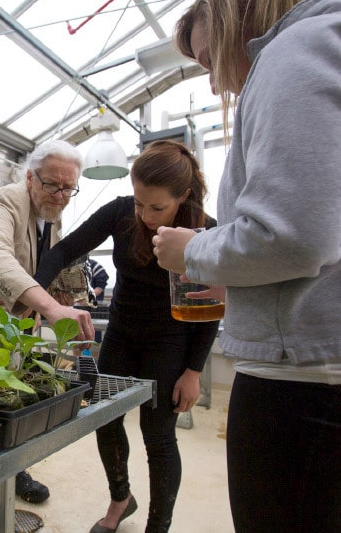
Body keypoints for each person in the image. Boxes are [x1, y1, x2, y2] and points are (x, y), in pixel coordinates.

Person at [155, 1, 341, 531]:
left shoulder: (296, 50)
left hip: (301, 386)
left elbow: (293, 236)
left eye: (209, 59)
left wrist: (192, 251)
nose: (215, 84)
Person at [35, 140, 220, 533]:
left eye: (157, 207)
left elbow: (206, 312)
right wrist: (32, 292)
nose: (145, 216)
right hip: (121, 334)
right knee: (104, 417)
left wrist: (193, 371)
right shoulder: (120, 212)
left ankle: (158, 525)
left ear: (183, 196)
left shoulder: (203, 230)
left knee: (159, 435)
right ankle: (121, 499)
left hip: (170, 341)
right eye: (139, 204)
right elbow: (66, 248)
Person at [0, 139, 94, 523]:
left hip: (14, 325)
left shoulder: (53, 213)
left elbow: (45, 263)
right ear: (30, 177)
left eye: (68, 188)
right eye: (52, 185)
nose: (61, 196)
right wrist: (50, 306)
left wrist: (57, 297)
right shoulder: (5, 202)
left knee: (11, 403)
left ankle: (12, 471)